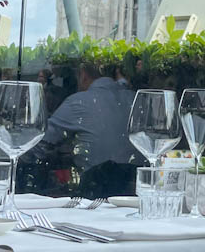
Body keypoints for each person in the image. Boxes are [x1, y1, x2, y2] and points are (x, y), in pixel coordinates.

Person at [41, 60, 137, 197]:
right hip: (135, 192)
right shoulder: (136, 100)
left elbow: (41, 140)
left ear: (83, 75)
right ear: (116, 73)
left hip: (93, 193)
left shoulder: (79, 102)